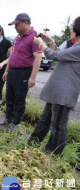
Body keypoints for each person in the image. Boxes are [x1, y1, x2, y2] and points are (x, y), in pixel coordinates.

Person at [28, 16, 80, 155]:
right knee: (45, 119)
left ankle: (53, 154)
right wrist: (50, 40)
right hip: (58, 91)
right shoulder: (75, 47)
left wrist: (41, 43)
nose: (71, 30)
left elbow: (53, 55)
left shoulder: (79, 48)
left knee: (58, 125)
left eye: (73, 27)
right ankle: (33, 143)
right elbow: (59, 53)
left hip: (64, 93)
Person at [0, 13, 42, 130]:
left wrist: (32, 77)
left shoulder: (34, 37)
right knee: (9, 96)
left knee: (19, 98)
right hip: (12, 71)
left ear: (26, 23)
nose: (15, 27)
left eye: (17, 24)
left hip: (24, 72)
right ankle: (8, 118)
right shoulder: (18, 37)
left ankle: (15, 122)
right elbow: (13, 55)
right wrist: (7, 70)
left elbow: (38, 57)